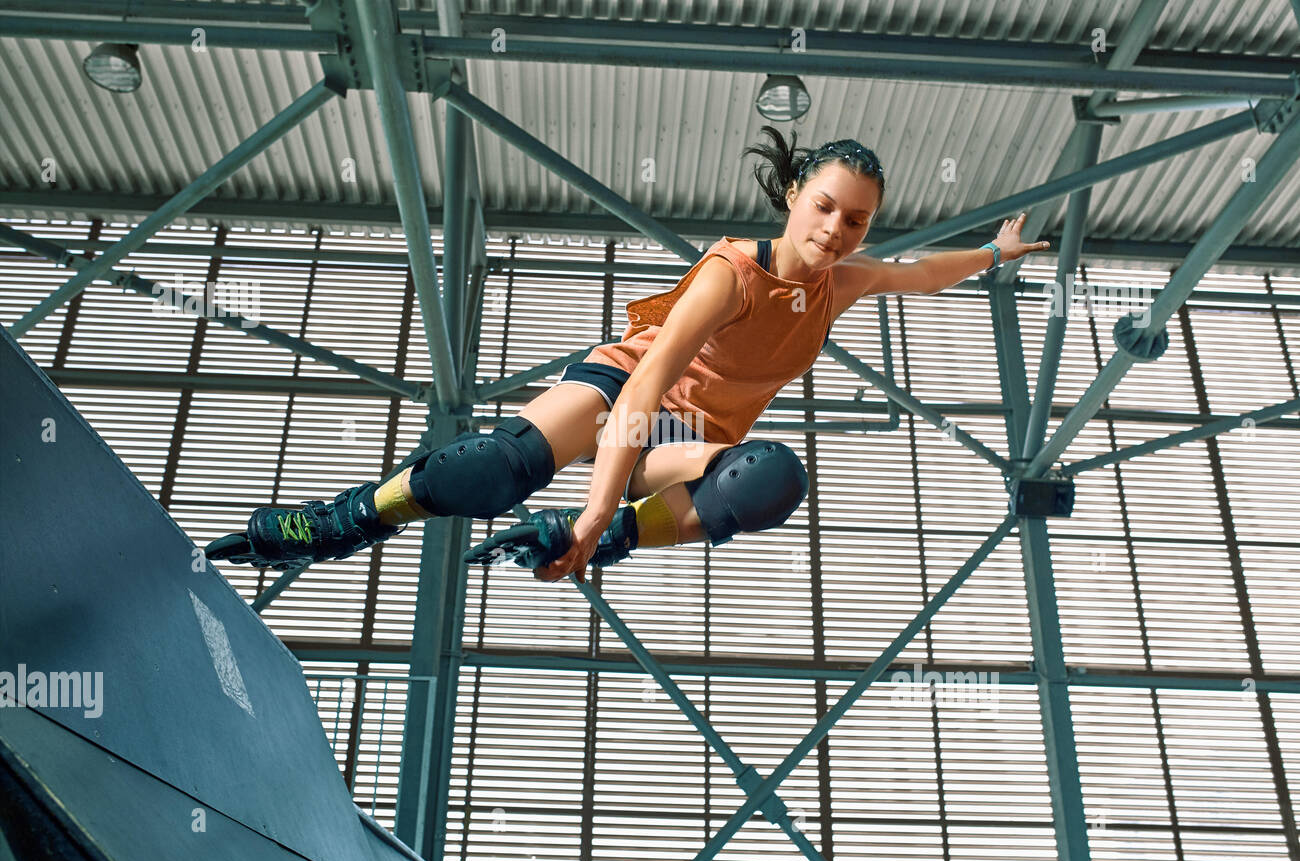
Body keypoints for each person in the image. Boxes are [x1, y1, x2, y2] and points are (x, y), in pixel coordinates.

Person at [205, 126, 1048, 584]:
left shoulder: (845, 282)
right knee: (505, 467)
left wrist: (997, 256)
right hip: (625, 387)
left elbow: (925, 271)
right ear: (795, 196)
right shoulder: (732, 274)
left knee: (769, 478)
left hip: (690, 428)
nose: (836, 231)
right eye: (825, 207)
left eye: (856, 220)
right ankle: (344, 519)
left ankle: (605, 545)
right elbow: (645, 383)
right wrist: (592, 506)